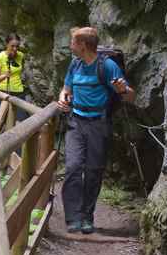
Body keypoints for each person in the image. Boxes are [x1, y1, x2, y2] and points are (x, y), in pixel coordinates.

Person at [57, 27, 135, 234]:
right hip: (76, 122)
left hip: (98, 124)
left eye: (73, 42)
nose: (70, 45)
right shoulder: (75, 64)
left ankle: (86, 217)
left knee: (93, 171)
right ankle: (73, 217)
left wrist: (122, 90)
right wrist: (62, 98)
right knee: (73, 167)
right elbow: (66, 89)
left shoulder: (107, 66)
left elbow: (130, 96)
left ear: (83, 45)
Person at [0, 33, 29, 122]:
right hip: (3, 92)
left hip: (19, 92)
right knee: (0, 122)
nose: (15, 49)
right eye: (12, 46)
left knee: (21, 121)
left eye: (17, 46)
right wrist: (5, 75)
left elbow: (20, 70)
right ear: (6, 44)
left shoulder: (20, 55)